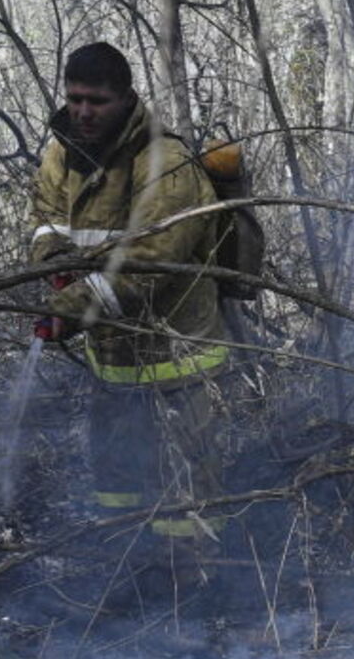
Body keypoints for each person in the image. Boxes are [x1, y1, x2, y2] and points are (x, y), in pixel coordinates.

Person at [29, 42, 229, 600]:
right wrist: (55, 268)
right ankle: (132, 576)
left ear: (126, 99)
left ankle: (198, 592)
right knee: (118, 481)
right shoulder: (61, 154)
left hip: (180, 359)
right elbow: (44, 221)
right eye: (74, 99)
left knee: (186, 490)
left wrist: (68, 311)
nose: (83, 112)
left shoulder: (165, 165)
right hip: (111, 360)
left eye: (97, 101)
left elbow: (148, 266)